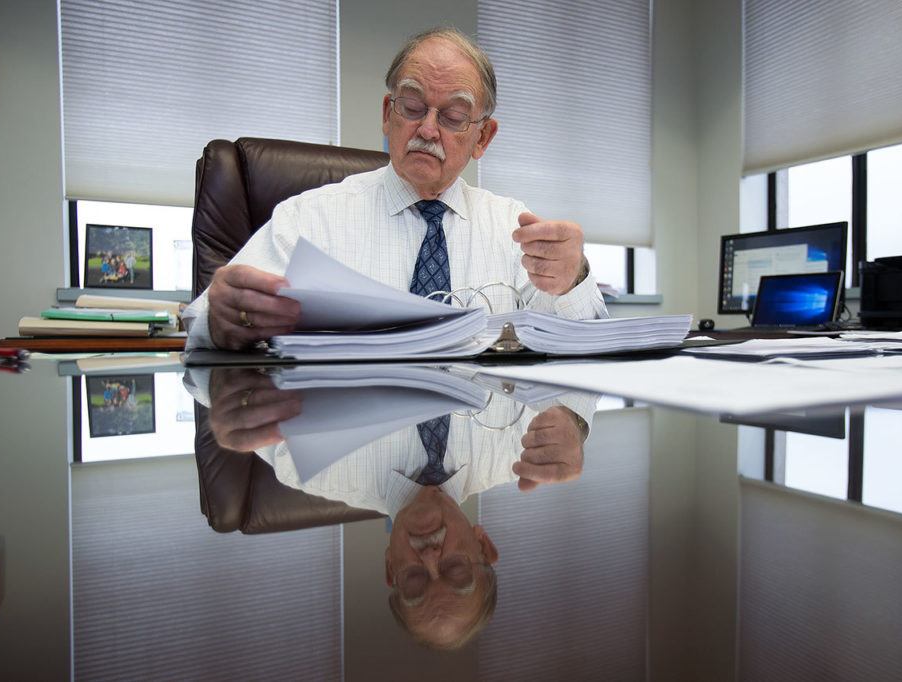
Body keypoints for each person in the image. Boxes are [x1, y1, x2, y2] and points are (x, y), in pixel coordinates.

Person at [182, 27, 607, 351]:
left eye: (454, 116)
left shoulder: (511, 227)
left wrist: (572, 278)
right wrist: (222, 320)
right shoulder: (310, 218)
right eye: (412, 106)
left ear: (483, 138)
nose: (426, 129)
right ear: (388, 114)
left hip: (481, 441)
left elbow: (580, 340)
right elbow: (207, 320)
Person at [200, 366, 595, 648]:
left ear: (391, 567)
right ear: (483, 546)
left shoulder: (314, 468)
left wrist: (232, 388)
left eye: (415, 582)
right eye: (455, 569)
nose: (429, 558)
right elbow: (579, 348)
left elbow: (212, 375)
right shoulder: (521, 450)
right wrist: (577, 425)